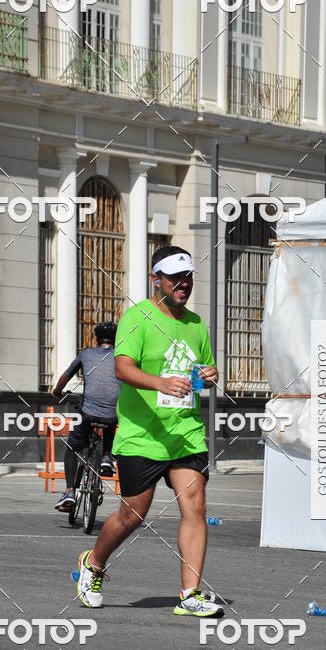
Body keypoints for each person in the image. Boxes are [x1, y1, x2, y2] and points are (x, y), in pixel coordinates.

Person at [73, 244, 224, 618]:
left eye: (187, 276)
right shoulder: (137, 317)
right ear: (157, 279)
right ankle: (93, 563)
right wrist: (160, 383)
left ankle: (190, 595)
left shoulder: (196, 324)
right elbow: (122, 368)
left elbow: (200, 372)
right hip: (142, 435)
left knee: (196, 506)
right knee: (133, 513)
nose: (183, 284)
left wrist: (209, 375)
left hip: (185, 432)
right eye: (175, 277)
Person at [52, 321, 120, 512]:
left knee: (72, 448)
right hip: (113, 415)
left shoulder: (87, 353)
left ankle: (69, 492)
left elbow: (66, 376)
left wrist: (57, 391)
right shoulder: (122, 357)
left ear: (96, 339)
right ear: (116, 340)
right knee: (111, 417)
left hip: (87, 413)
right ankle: (107, 456)